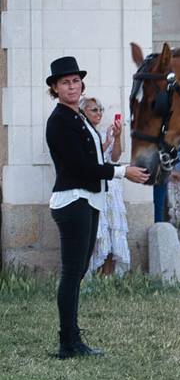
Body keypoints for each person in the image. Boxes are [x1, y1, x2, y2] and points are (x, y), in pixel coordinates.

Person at [45, 57, 150, 359]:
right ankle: (67, 342)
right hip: (72, 200)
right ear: (55, 88)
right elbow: (80, 166)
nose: (72, 86)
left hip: (89, 200)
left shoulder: (78, 117)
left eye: (76, 81)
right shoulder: (60, 121)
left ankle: (73, 338)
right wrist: (122, 171)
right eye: (65, 82)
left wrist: (116, 158)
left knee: (77, 273)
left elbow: (96, 160)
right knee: (71, 273)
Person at [81, 97, 131, 277]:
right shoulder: (82, 133)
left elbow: (115, 158)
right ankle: (92, 274)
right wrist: (108, 143)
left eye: (100, 109)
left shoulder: (104, 133)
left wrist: (116, 138)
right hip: (94, 187)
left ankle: (108, 276)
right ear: (83, 112)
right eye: (94, 110)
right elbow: (91, 159)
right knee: (98, 232)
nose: (99, 113)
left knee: (112, 231)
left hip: (112, 188)